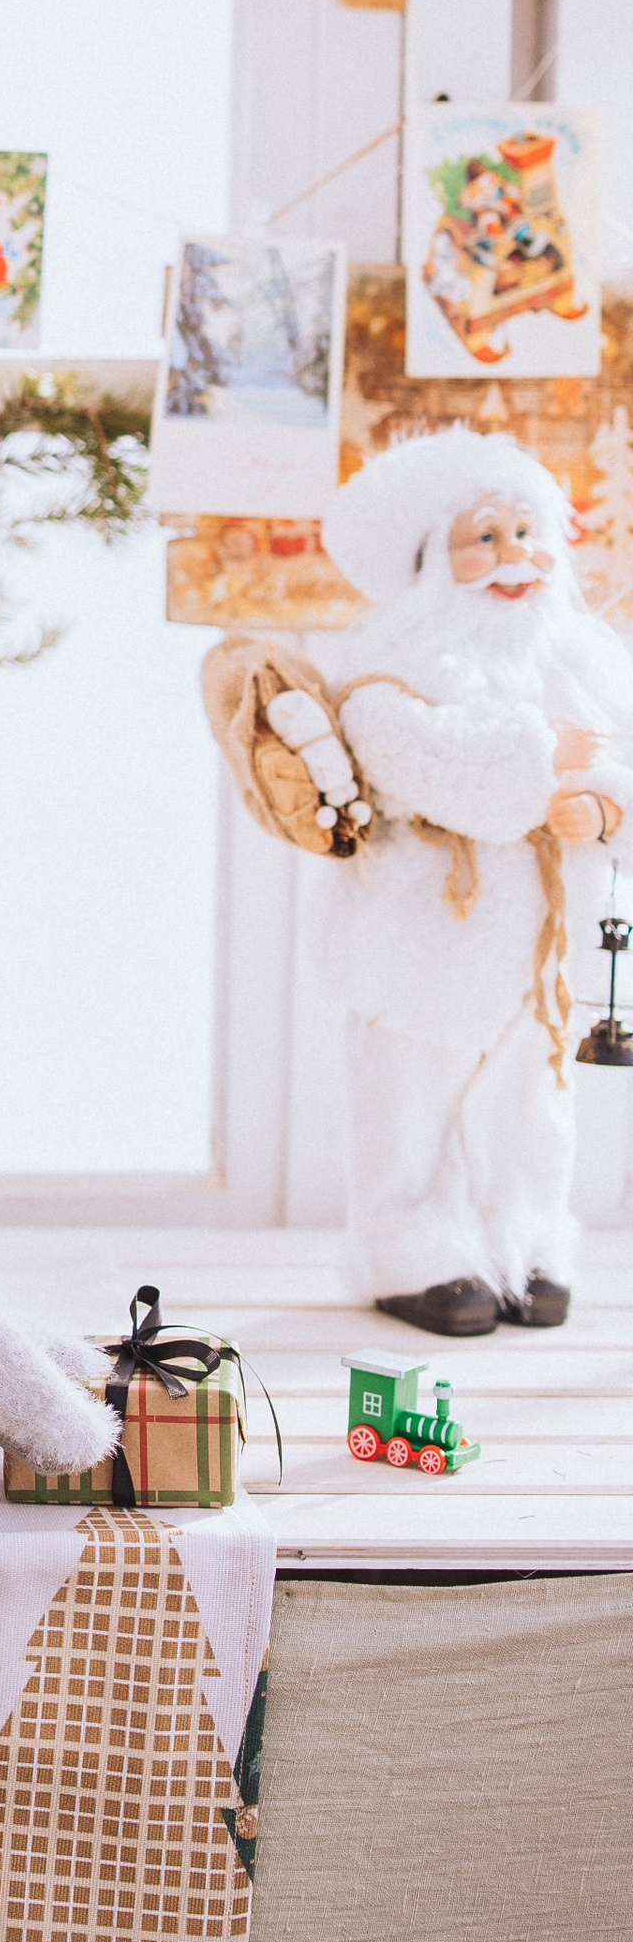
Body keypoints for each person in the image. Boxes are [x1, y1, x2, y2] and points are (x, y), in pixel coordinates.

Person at [315, 430, 633, 1334]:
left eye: (528, 534)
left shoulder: (585, 660)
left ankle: (524, 1237)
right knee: (414, 1094)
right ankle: (411, 1247)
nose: (513, 557)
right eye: (484, 537)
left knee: (531, 1100)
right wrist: (539, 762)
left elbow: (623, 758)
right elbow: (407, 751)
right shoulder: (393, 663)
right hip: (425, 930)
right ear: (430, 563)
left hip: (542, 940)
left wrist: (604, 809)